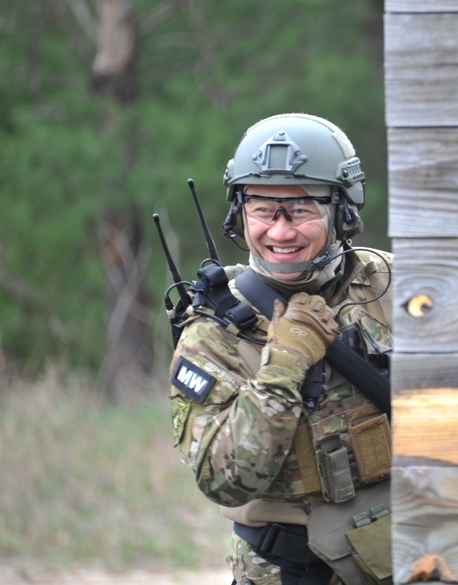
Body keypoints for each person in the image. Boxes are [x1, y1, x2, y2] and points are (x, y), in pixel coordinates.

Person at [167, 113, 393, 585]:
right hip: (290, 570)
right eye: (264, 210)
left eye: (303, 209)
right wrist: (285, 365)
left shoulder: (390, 285)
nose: (281, 232)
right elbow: (224, 481)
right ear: (238, 213)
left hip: (409, 553)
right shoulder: (212, 332)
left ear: (343, 211)